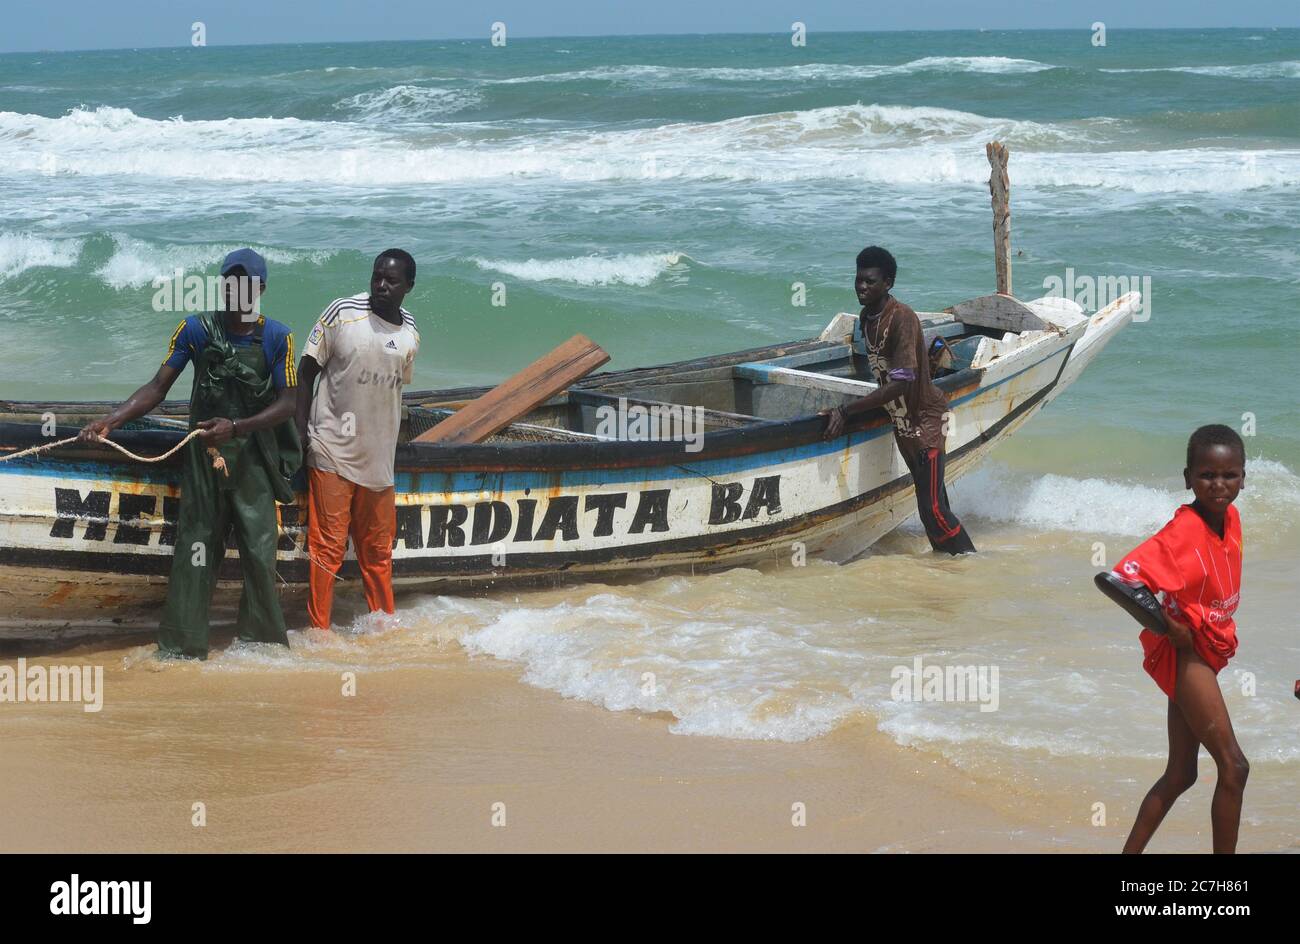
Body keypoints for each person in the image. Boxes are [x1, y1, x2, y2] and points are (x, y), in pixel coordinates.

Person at [79, 249, 301, 659]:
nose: (236, 292)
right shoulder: (195, 329)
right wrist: (111, 421)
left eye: (246, 284)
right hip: (204, 456)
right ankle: (182, 645)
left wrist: (235, 427)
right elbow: (156, 388)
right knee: (196, 546)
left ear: (261, 289)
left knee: (258, 548)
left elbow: (289, 404)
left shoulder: (278, 338)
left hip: (253, 457)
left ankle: (262, 646)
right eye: (229, 283)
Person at [1118, 424, 1248, 854]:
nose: (1219, 485)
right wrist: (1166, 626)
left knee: (1181, 774)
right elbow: (1119, 579)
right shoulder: (1184, 531)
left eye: (1230, 475)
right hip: (1189, 657)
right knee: (1234, 767)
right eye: (1207, 475)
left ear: (1243, 478)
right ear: (1188, 476)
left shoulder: (1231, 518)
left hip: (1207, 653)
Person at [821, 246, 975, 554]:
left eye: (870, 281)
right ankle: (947, 565)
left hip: (926, 421)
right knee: (931, 504)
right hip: (903, 424)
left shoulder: (902, 317)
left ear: (887, 283)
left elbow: (901, 383)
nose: (862, 287)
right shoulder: (867, 317)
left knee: (932, 509)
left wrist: (846, 410)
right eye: (858, 280)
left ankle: (970, 561)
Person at [296, 249, 419, 630]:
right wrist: (303, 436)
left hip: (379, 461)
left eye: (391, 280)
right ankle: (319, 631)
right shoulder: (342, 313)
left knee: (378, 553)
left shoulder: (410, 331)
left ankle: (382, 626)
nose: (381, 285)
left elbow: (396, 389)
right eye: (377, 277)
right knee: (327, 549)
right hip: (332, 450)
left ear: (408, 287)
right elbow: (304, 374)